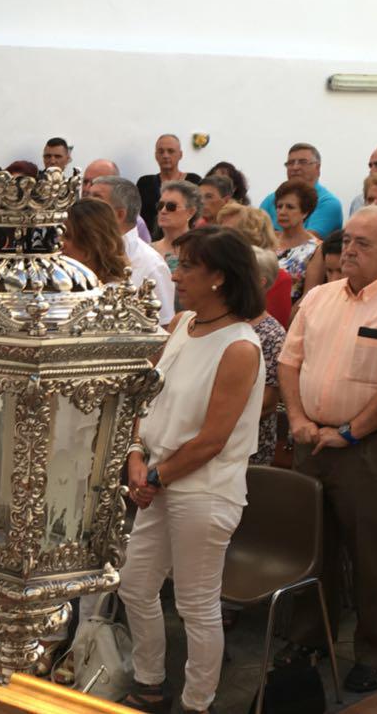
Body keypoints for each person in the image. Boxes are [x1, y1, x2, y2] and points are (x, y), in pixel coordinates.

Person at [278, 206, 377, 693]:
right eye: (347, 240)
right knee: (312, 550)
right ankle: (311, 638)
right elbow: (290, 363)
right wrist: (299, 419)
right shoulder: (320, 297)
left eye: (363, 244)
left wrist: (350, 431)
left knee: (374, 557)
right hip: (313, 440)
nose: (348, 249)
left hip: (374, 449)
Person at [118, 226, 266, 714]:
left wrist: (155, 477)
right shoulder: (183, 322)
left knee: (196, 605)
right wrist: (137, 454)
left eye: (187, 267)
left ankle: (197, 702)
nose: (176, 275)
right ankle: (149, 680)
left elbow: (213, 438)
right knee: (135, 585)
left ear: (220, 277)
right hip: (160, 477)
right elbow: (149, 394)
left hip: (204, 489)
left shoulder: (240, 346)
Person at [87, 176, 175, 322]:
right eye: (87, 197)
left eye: (97, 200)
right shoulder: (80, 251)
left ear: (120, 214)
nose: (86, 206)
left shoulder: (151, 265)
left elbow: (163, 326)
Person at [216, 203, 293, 328]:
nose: (218, 237)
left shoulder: (279, 278)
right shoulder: (215, 269)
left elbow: (272, 328)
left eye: (228, 233)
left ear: (252, 235)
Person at [249, 247, 287, 466]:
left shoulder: (272, 334)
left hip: (249, 448)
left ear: (260, 282)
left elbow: (267, 403)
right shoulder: (221, 321)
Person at [259, 143, 343, 236]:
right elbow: (254, 233)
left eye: (303, 162)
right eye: (291, 163)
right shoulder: (271, 199)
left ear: (317, 168)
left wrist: (268, 235)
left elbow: (308, 241)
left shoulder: (327, 203)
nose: (295, 168)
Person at [137, 134, 203, 237]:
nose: (165, 155)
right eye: (161, 151)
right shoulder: (145, 183)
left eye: (171, 151)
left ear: (180, 155)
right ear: (156, 155)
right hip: (150, 242)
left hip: (186, 239)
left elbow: (200, 214)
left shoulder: (193, 181)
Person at [62, 198, 130, 284]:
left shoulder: (113, 292)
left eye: (67, 236)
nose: (59, 243)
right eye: (58, 235)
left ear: (91, 243)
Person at [273, 180, 321, 303]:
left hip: (293, 315)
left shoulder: (317, 248)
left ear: (305, 212)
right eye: (279, 206)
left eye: (290, 207)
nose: (282, 212)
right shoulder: (268, 240)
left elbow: (309, 296)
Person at [86, 161, 150, 243]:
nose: (87, 201)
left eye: (97, 198)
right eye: (85, 182)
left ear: (120, 214)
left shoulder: (142, 255)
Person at [152, 179, 201, 274]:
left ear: (191, 212)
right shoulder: (147, 249)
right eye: (160, 205)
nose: (163, 211)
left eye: (171, 206)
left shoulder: (201, 250)